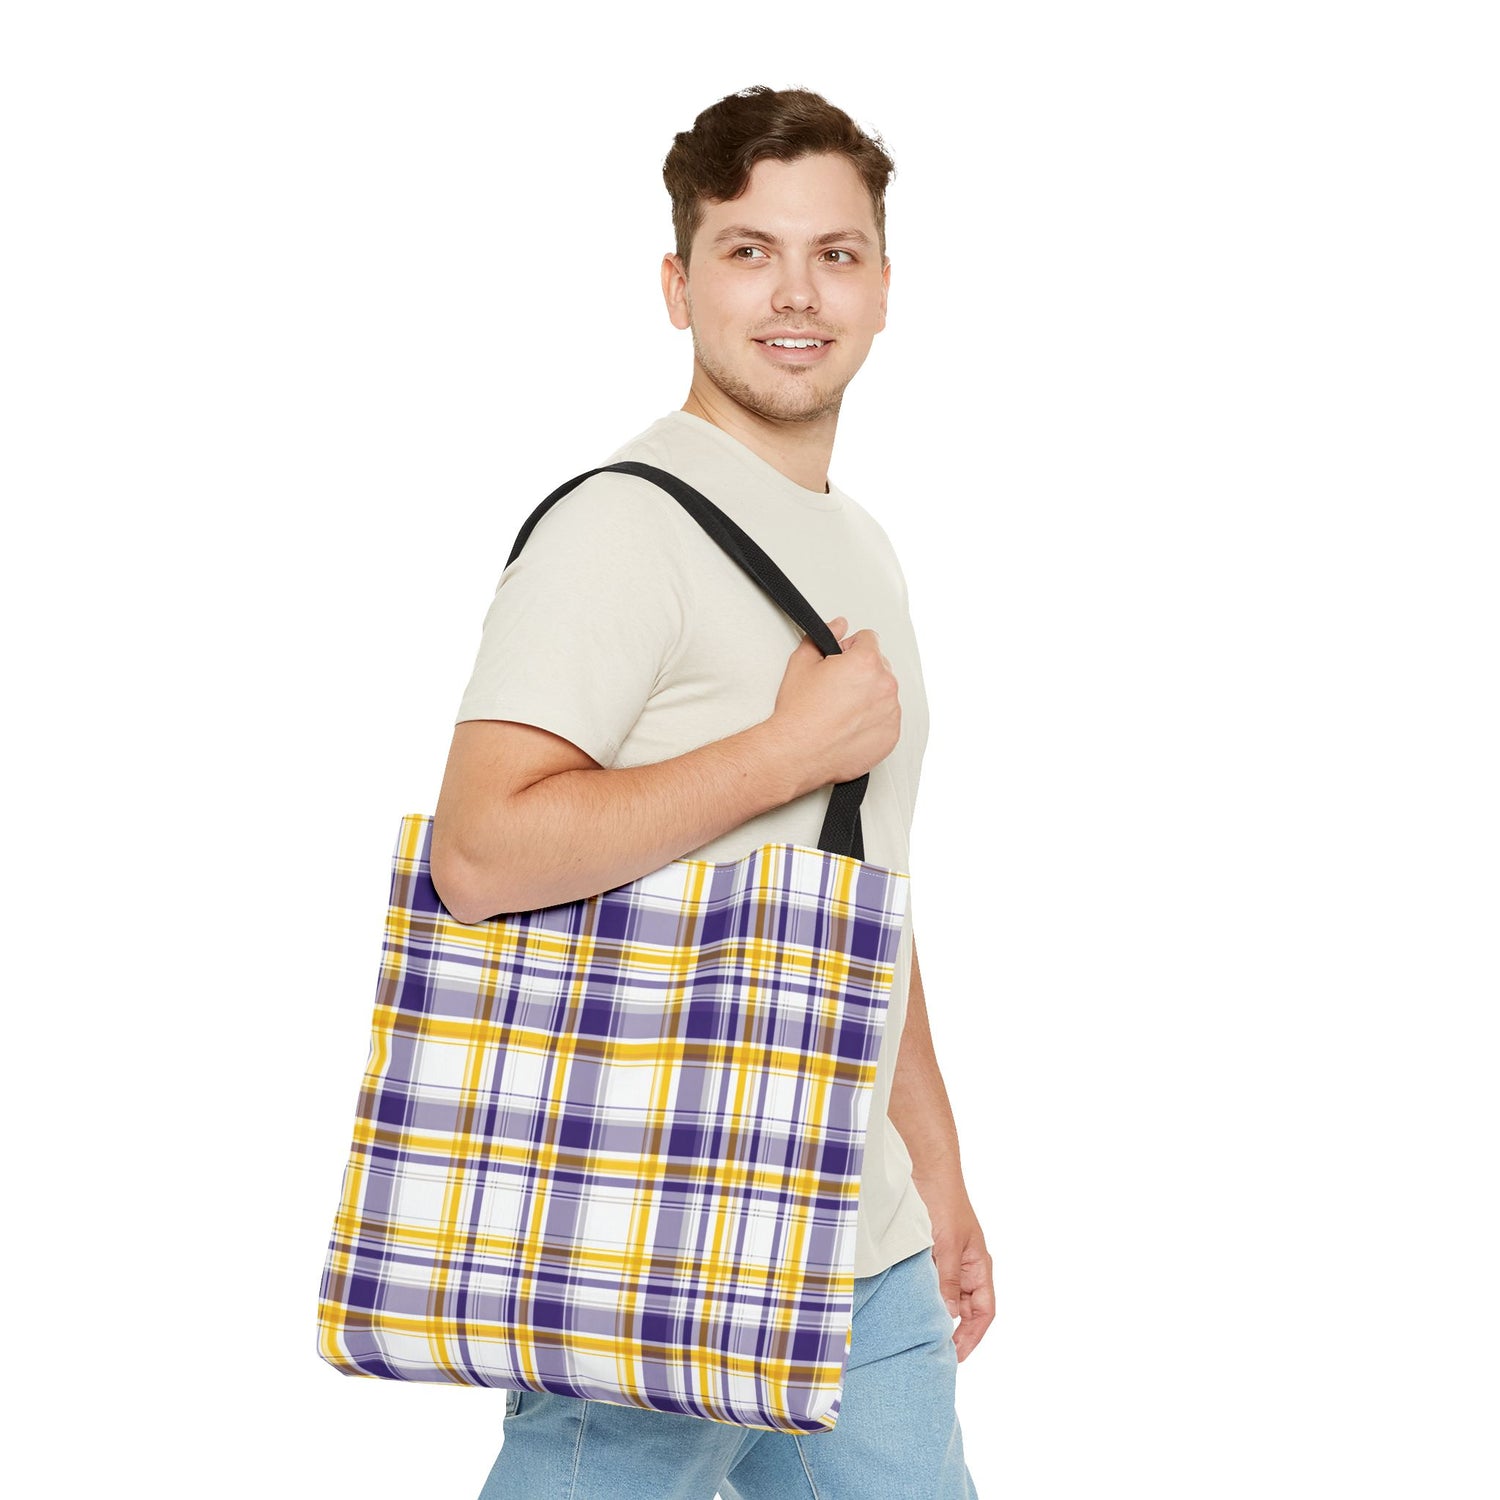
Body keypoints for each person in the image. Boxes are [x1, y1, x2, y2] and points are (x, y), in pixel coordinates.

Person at [431, 84, 991, 1500]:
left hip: (864, 1249)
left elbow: (862, 884)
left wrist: (936, 1174)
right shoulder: (620, 527)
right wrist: (782, 752)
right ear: (679, 287)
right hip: (664, 1240)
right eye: (749, 252)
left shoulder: (860, 543)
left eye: (834, 254)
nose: (796, 293)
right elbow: (480, 853)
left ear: (882, 287)